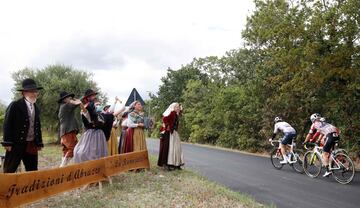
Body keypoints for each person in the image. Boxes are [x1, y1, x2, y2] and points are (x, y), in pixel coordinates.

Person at [1, 78, 44, 173]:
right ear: (23, 93)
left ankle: (31, 187)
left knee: (32, 170)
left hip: (31, 144)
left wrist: (39, 142)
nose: (34, 93)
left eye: (35, 91)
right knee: (9, 170)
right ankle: (7, 187)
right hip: (16, 144)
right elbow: (7, 124)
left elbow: (37, 126)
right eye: (31, 91)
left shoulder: (36, 108)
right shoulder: (15, 105)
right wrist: (7, 142)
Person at [73, 89, 108, 163]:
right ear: (87, 98)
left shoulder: (96, 108)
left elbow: (101, 118)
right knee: (84, 152)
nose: (94, 97)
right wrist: (81, 105)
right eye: (92, 95)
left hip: (99, 133)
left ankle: (98, 169)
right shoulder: (87, 107)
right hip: (91, 133)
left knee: (99, 153)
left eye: (94, 95)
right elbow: (87, 115)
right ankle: (88, 169)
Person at [58, 91, 84, 167]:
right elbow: (77, 103)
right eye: (68, 97)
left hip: (65, 133)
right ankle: (62, 168)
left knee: (66, 150)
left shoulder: (64, 106)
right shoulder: (66, 106)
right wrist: (85, 96)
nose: (70, 98)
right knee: (73, 149)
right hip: (68, 132)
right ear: (64, 99)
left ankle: (62, 169)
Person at [161, 102, 184, 170]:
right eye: (176, 107)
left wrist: (180, 110)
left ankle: (176, 164)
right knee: (172, 148)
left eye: (178, 107)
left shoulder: (175, 114)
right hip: (171, 132)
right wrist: (168, 126)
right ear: (173, 108)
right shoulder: (172, 113)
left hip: (174, 132)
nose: (178, 108)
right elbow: (164, 119)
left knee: (177, 148)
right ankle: (171, 164)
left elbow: (178, 115)